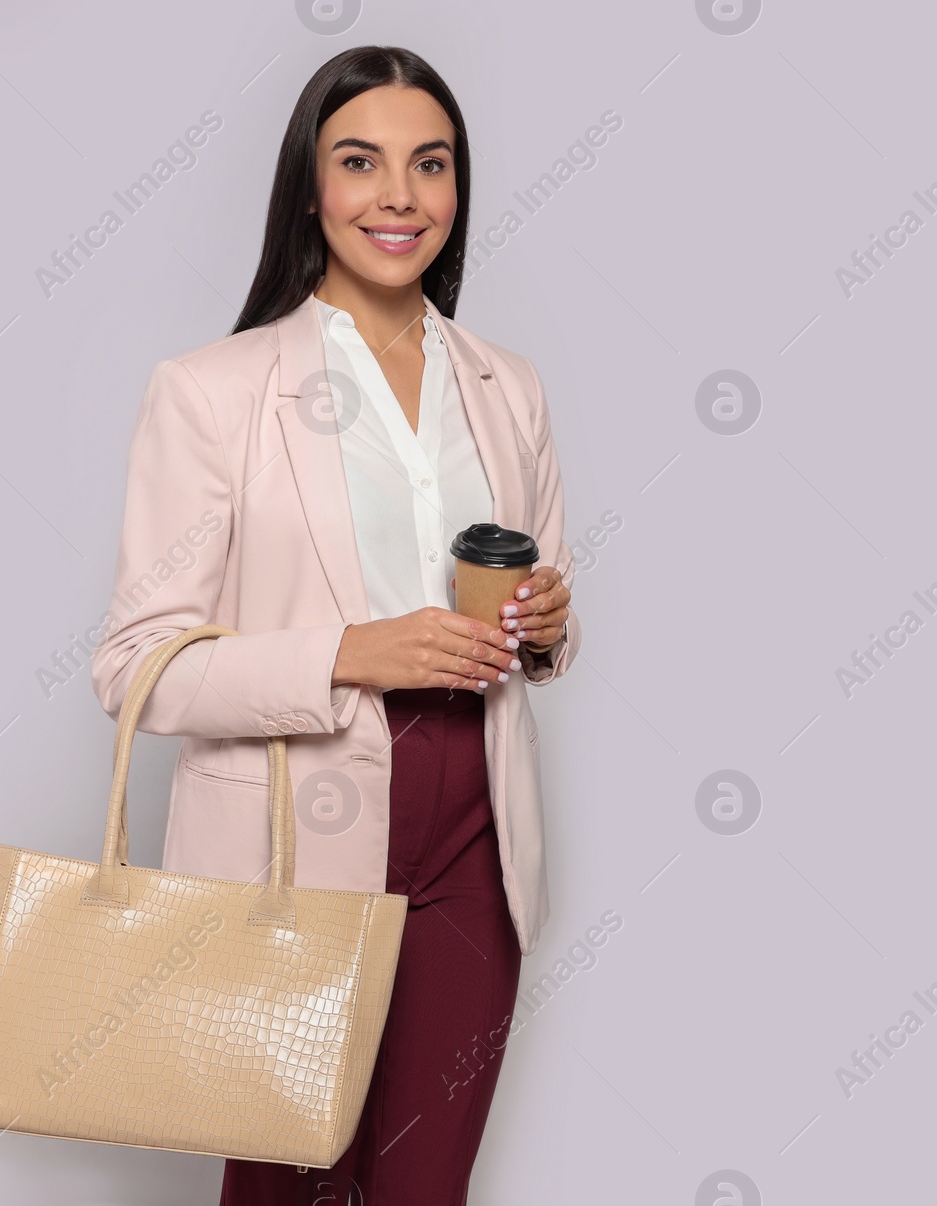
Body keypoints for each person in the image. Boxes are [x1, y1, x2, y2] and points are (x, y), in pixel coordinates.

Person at [88, 44, 581, 1205]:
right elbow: (133, 667)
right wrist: (348, 656)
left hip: (475, 832)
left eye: (432, 164)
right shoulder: (212, 390)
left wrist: (548, 624)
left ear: (459, 191)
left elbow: (544, 624)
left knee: (424, 1187)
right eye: (360, 163)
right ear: (311, 189)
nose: (398, 196)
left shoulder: (510, 388)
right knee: (287, 1187)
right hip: (288, 842)